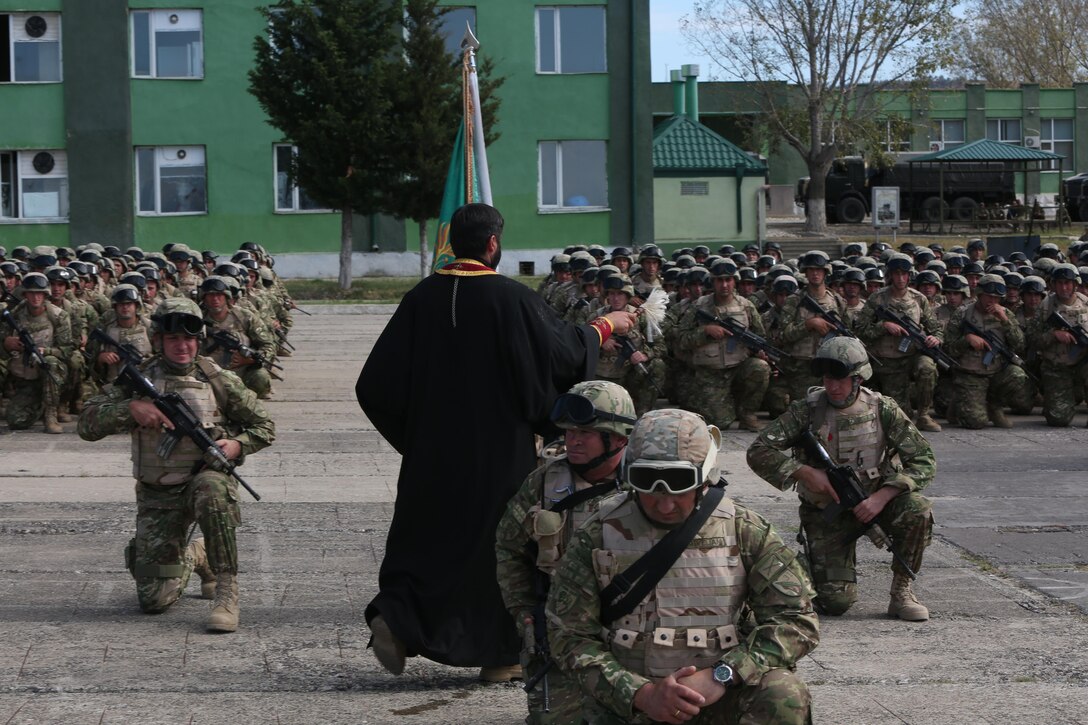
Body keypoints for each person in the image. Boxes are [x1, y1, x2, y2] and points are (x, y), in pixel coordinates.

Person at [355, 203, 639, 681]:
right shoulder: (511, 298)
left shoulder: (420, 298)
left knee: (425, 538)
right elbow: (562, 352)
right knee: (500, 547)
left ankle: (398, 618)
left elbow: (373, 386)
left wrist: (416, 439)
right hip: (498, 452)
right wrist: (606, 326)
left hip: (431, 456)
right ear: (492, 243)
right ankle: (499, 655)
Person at [546, 409, 817, 725]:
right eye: (648, 485)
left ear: (705, 478)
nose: (665, 504)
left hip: (718, 695)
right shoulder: (597, 534)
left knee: (783, 693)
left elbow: (797, 621)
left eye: (680, 485)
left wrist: (723, 674)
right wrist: (641, 694)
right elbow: (568, 635)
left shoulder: (744, 530)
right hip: (626, 700)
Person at [77, 298, 274, 631]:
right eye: (173, 339)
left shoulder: (219, 380)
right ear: (158, 340)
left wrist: (237, 445)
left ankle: (226, 591)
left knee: (214, 490)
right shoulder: (135, 380)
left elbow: (265, 426)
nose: (182, 346)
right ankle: (197, 555)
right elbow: (87, 424)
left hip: (203, 478)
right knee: (154, 600)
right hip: (158, 493)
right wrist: (131, 410)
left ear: (198, 340)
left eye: (189, 339)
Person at [747, 337, 935, 621]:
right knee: (836, 603)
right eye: (827, 378)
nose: (832, 386)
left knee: (918, 509)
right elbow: (759, 451)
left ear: (858, 378)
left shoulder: (882, 408)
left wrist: (882, 496)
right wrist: (805, 472)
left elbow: (924, 460)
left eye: (841, 379)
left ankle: (901, 592)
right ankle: (804, 568)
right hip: (828, 512)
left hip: (875, 502)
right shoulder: (808, 410)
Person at [495, 381, 635, 724]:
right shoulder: (545, 483)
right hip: (560, 629)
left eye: (586, 433)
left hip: (633, 630)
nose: (573, 440)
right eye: (570, 431)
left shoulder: (646, 484)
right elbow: (509, 547)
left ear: (618, 438)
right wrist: (523, 610)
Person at [944, 274, 1031, 428]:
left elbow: (1020, 345)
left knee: (1018, 375)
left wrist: (1005, 320)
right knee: (975, 422)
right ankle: (958, 401)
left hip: (997, 370)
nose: (992, 301)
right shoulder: (963, 313)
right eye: (988, 296)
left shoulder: (1006, 314)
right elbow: (948, 349)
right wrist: (967, 340)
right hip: (970, 373)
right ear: (979, 294)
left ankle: (994, 406)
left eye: (996, 298)